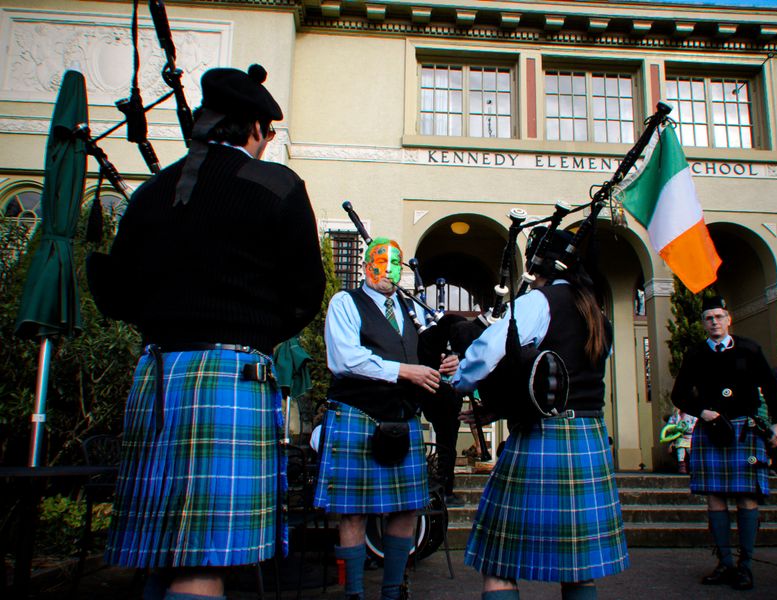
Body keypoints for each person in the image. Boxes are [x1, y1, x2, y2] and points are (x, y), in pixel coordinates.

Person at [87, 64, 325, 599]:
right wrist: (258, 331)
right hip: (230, 377)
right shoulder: (277, 184)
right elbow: (306, 293)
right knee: (200, 560)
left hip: (157, 377)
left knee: (160, 554)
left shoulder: (152, 191)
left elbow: (119, 292)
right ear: (257, 129)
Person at [452, 228, 628, 600]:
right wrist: (500, 406)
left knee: (499, 565)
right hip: (589, 438)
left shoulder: (538, 302)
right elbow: (575, 373)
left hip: (541, 436)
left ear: (535, 262)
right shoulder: (597, 313)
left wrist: (459, 382)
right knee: (579, 567)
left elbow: (489, 352)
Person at [314, 237, 459, 600]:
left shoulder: (413, 310)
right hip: (356, 415)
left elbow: (428, 357)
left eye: (395, 267)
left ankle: (393, 590)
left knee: (408, 509)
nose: (389, 273)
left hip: (404, 417)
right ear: (366, 267)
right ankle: (354, 594)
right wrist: (404, 371)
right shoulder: (346, 302)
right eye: (381, 265)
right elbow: (345, 359)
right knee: (353, 513)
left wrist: (447, 365)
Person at [671, 296, 777, 592]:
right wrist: (702, 411)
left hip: (745, 429)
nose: (714, 322)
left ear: (729, 319)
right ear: (703, 323)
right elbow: (679, 394)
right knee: (715, 498)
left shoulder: (749, 349)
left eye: (719, 317)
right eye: (709, 318)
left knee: (747, 496)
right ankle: (724, 563)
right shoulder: (696, 354)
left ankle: (745, 566)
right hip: (711, 429)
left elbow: (771, 388)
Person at [666, 408, 698, 474]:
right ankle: (681, 465)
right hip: (679, 438)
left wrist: (687, 427)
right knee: (680, 449)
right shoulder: (675, 416)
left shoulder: (692, 415)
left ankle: (692, 466)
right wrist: (675, 428)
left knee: (690, 451)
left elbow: (695, 425)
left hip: (690, 438)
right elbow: (669, 427)